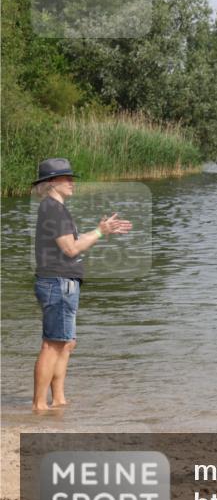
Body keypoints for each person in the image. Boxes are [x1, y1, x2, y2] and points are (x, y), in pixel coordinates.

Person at [32, 158, 132, 411]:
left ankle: (59, 399)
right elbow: (70, 248)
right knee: (53, 344)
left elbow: (73, 241)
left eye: (71, 178)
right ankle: (39, 405)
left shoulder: (55, 208)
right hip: (57, 283)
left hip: (62, 282)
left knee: (66, 343)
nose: (71, 182)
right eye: (66, 178)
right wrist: (99, 233)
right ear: (51, 182)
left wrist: (101, 230)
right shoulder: (53, 209)